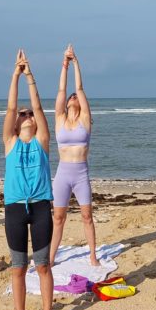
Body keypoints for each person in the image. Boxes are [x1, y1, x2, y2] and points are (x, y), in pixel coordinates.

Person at [3, 49, 55, 310]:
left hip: (40, 207)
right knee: (18, 268)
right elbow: (11, 108)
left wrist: (30, 76)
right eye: (21, 113)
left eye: (28, 114)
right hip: (14, 209)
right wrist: (15, 74)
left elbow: (38, 108)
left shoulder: (42, 141)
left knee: (43, 265)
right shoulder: (10, 142)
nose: (24, 114)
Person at [50, 44, 98, 267]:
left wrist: (76, 62)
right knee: (58, 218)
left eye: (75, 97)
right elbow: (62, 90)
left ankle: (92, 256)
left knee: (87, 216)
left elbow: (78, 88)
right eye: (70, 97)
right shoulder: (59, 119)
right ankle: (50, 258)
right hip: (62, 174)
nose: (71, 97)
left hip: (80, 174)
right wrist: (64, 66)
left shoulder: (85, 120)